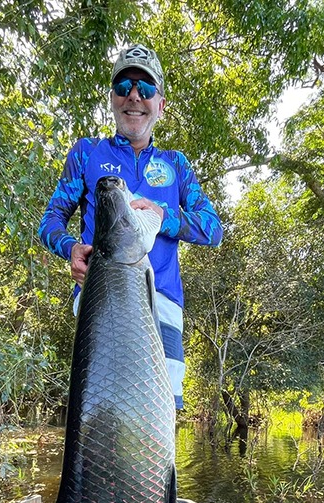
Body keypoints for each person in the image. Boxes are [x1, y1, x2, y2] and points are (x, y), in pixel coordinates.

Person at [39, 44, 223, 408]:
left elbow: (212, 229)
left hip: (163, 302)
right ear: (112, 98)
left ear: (161, 103)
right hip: (100, 301)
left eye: (146, 88)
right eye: (124, 87)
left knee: (159, 414)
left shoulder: (177, 165)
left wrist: (163, 215)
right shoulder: (87, 153)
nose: (134, 96)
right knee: (101, 413)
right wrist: (71, 249)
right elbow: (51, 221)